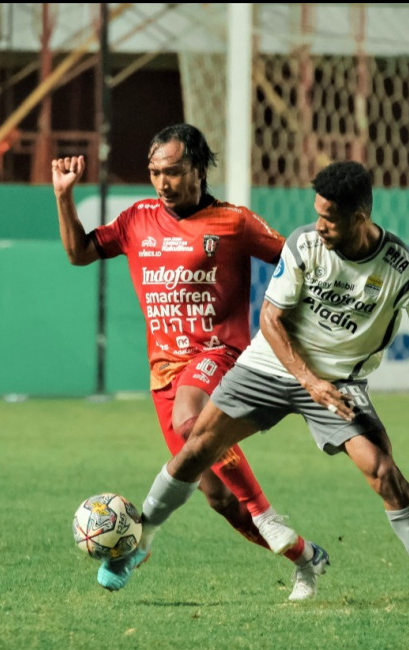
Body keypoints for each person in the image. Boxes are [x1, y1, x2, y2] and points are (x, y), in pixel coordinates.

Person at [125, 160, 409, 614]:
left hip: (339, 383)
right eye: (316, 213)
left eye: (329, 218)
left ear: (359, 217)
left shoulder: (405, 271)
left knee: (383, 473)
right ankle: (140, 540)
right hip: (270, 366)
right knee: (196, 446)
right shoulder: (304, 244)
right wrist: (308, 380)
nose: (319, 225)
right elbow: (271, 320)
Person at [52, 123, 329, 598]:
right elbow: (79, 254)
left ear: (198, 169)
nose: (163, 182)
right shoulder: (137, 219)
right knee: (219, 497)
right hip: (164, 373)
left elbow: (294, 261)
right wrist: (63, 196)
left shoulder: (234, 222)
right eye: (155, 172)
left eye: (174, 172)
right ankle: (304, 555)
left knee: (190, 420)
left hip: (218, 356)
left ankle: (258, 519)